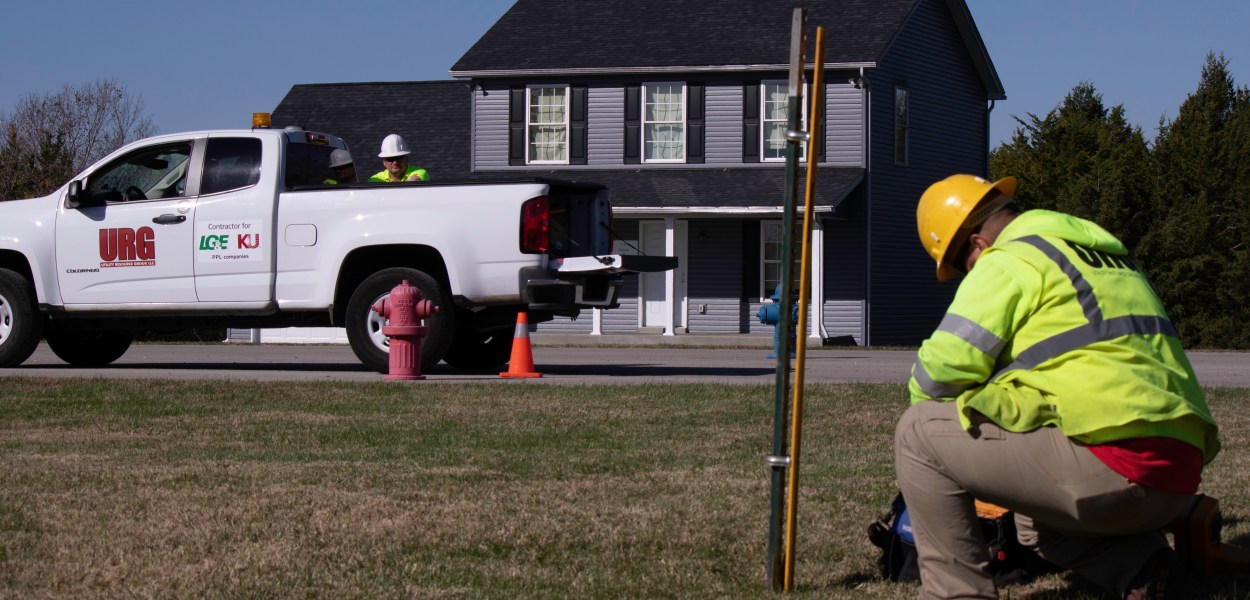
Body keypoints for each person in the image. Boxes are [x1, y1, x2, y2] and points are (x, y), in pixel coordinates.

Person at [895, 174, 1220, 599]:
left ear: (978, 244)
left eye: (962, 268)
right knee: (1036, 526)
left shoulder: (1008, 260)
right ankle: (1144, 568)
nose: (966, 277)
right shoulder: (1104, 256)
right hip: (1178, 476)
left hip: (1115, 466)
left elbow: (936, 377)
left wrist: (949, 452)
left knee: (918, 433)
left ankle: (956, 594)